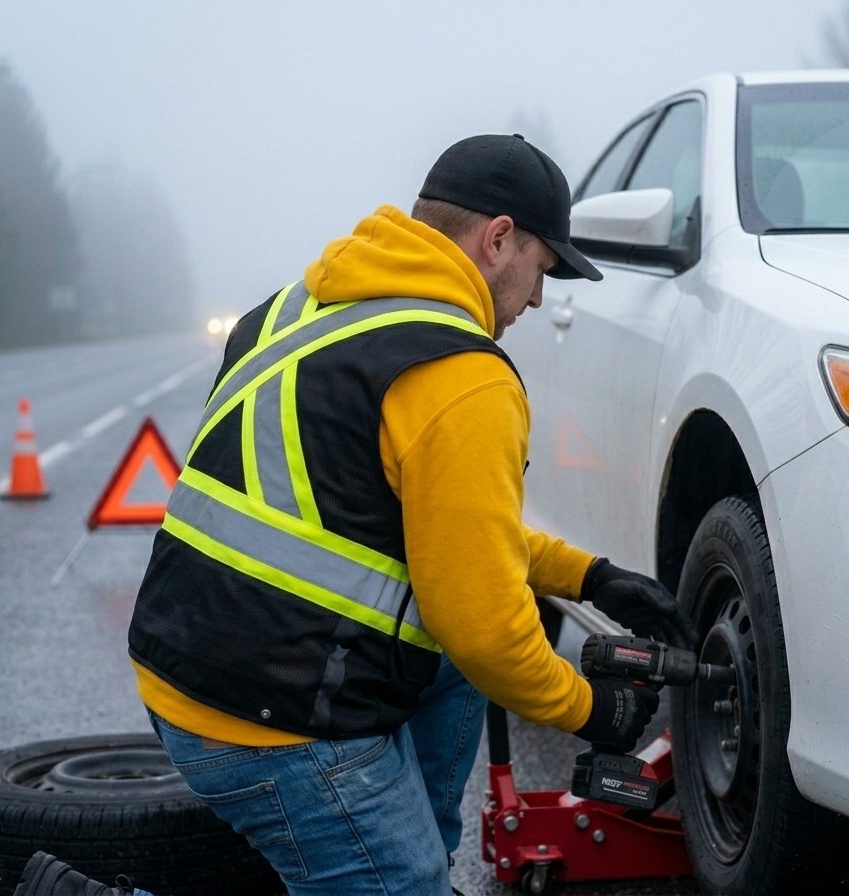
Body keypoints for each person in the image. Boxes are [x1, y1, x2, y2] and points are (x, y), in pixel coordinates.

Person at [124, 133, 697, 896]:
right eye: (541, 270)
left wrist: (591, 577)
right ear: (498, 240)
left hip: (186, 672)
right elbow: (487, 630)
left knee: (455, 652)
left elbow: (452, 531)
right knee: (405, 872)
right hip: (269, 725)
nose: (537, 300)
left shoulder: (293, 310)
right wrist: (593, 710)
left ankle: (386, 841)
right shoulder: (459, 373)